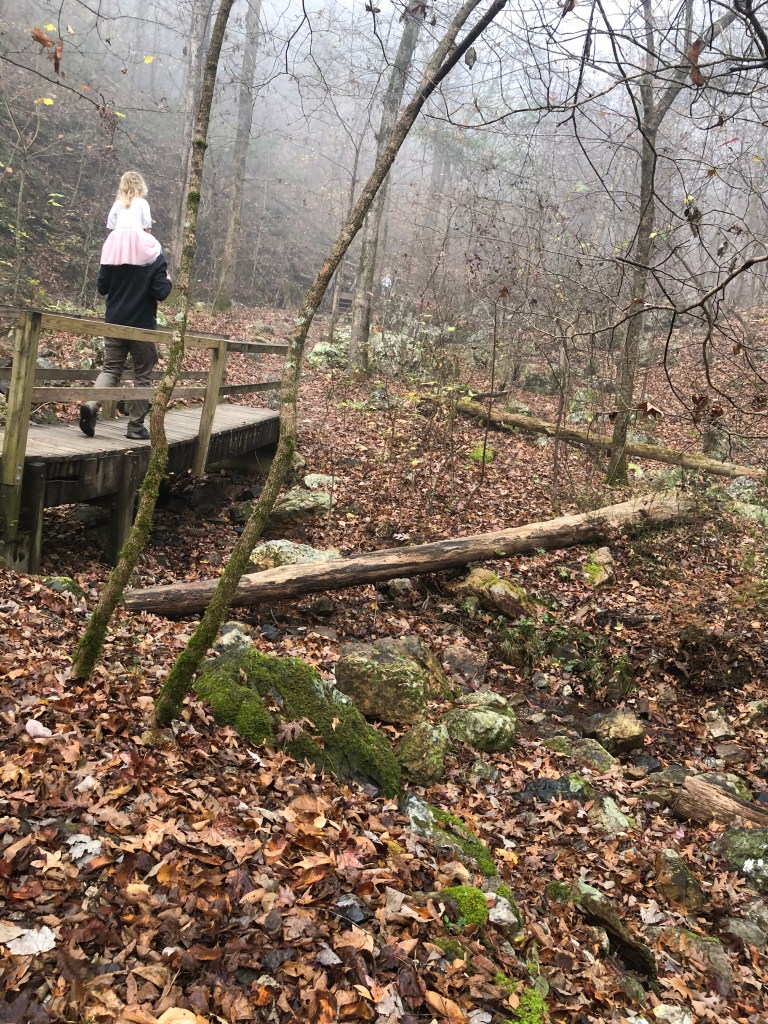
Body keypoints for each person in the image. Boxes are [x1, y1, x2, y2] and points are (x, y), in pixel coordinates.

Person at [79, 174, 172, 441]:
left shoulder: (111, 252)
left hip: (114, 320)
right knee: (143, 376)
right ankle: (134, 428)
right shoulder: (153, 253)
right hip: (142, 325)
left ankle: (92, 403)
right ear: (146, 220)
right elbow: (161, 293)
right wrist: (167, 279)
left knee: (111, 369)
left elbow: (103, 288)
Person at [101, 170, 162, 267]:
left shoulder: (118, 203)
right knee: (157, 249)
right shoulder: (142, 203)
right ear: (140, 186)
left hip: (118, 240)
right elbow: (147, 226)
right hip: (137, 238)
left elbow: (111, 224)